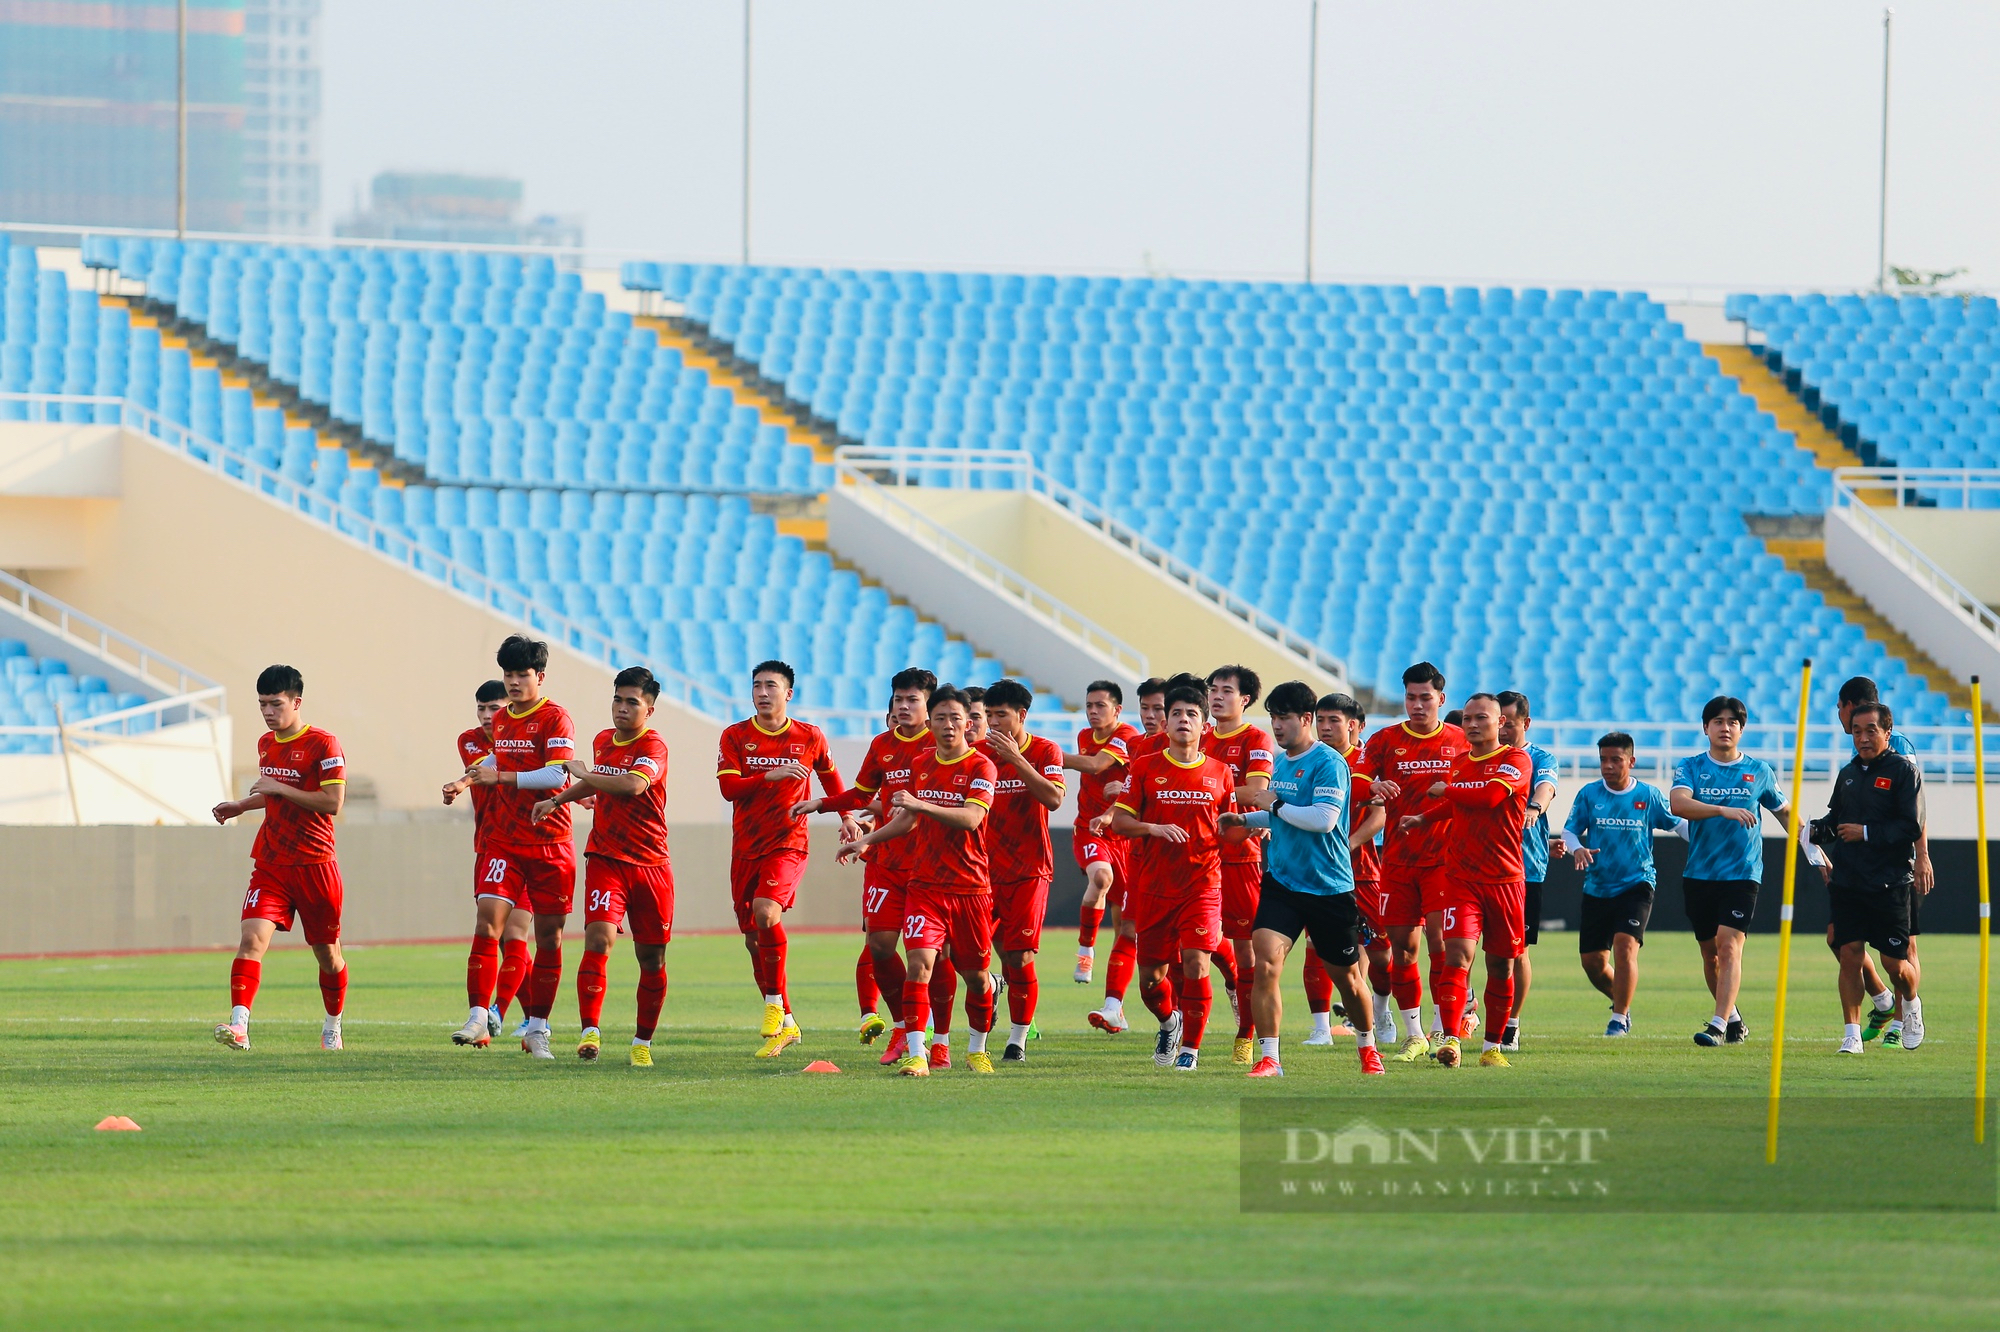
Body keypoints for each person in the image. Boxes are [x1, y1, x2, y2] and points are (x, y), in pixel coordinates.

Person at [838, 686, 1000, 1076]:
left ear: (967, 723)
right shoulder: (924, 762)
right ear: (933, 721)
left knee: (976, 979)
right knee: (919, 964)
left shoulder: (981, 767)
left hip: (970, 888)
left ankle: (977, 1048)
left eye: (955, 718)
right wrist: (865, 840)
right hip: (925, 886)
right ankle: (917, 1052)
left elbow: (971, 819)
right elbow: (906, 819)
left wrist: (922, 804)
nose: (948, 725)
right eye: (941, 718)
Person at [1230, 680, 1384, 1078]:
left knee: (1349, 981)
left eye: (1284, 718)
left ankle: (1368, 1048)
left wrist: (1271, 803)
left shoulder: (1329, 762)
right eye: (1272, 718)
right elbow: (1280, 816)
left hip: (1329, 886)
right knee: (1265, 964)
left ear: (1305, 719)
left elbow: (1322, 819)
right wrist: (1246, 820)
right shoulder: (1278, 764)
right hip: (1282, 882)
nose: (1277, 727)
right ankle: (1270, 1059)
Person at [529, 667, 675, 1064]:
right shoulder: (602, 740)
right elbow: (596, 782)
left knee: (652, 958)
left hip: (651, 864)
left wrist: (586, 773)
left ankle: (642, 1043)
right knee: (598, 938)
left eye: (632, 702)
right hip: (606, 857)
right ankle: (590, 1030)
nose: (622, 708)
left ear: (650, 710)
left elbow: (631, 785)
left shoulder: (654, 747)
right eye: (618, 699)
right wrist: (558, 800)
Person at [795, 668, 934, 1063]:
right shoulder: (882, 744)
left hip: (928, 864)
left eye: (912, 700)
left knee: (933, 957)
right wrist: (822, 804)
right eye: (898, 700)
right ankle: (905, 1029)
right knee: (879, 945)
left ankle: (939, 1036)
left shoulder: (940, 747)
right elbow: (863, 791)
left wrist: (865, 833)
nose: (904, 707)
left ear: (930, 706)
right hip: (886, 862)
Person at [715, 659, 850, 1058]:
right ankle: (788, 1021)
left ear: (788, 693)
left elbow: (830, 776)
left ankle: (773, 1004)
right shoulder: (735, 735)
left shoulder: (810, 735)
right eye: (756, 685)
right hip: (746, 848)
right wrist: (767, 777)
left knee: (766, 912)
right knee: (755, 940)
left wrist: (845, 816)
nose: (762, 692)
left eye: (770, 686)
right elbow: (728, 790)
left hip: (789, 842)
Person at [211, 665, 349, 1052]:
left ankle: (333, 1025)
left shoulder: (324, 743)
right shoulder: (266, 743)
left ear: (296, 702)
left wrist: (279, 788)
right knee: (251, 938)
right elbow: (273, 792)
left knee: (328, 956)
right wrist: (242, 804)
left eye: (276, 704)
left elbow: (333, 802)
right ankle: (240, 1026)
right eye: (262, 705)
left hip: (316, 864)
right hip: (271, 862)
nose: (269, 712)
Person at [1394, 693, 1531, 1068]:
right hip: (1461, 878)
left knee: (1502, 965)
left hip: (1505, 880)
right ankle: (1451, 1039)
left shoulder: (1515, 760)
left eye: (1480, 718)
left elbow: (1487, 797)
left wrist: (1445, 789)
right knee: (1457, 957)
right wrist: (1424, 818)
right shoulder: (1459, 763)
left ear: (1500, 722)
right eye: (1467, 718)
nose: (1471, 724)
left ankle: (1491, 1049)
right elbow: (1456, 804)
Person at [461, 635, 577, 1059]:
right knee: (487, 923)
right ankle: (479, 1014)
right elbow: (499, 760)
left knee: (548, 939)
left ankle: (538, 1028)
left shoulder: (555, 718)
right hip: (505, 842)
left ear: (539, 676)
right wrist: (470, 777)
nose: (513, 682)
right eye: (508, 674)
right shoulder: (505, 719)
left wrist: (502, 778)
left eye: (521, 674)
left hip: (550, 844)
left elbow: (556, 777)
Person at [1111, 683, 1236, 1071]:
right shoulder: (1145, 767)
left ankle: (1190, 1051)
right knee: (1151, 977)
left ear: (1204, 725)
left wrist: (1251, 828)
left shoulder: (1221, 773)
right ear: (1166, 722)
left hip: (1202, 883)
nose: (1184, 720)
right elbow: (1120, 821)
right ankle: (1170, 1022)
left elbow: (1228, 826)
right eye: (1177, 714)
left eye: (1192, 714)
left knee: (1197, 962)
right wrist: (1152, 828)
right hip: (1154, 886)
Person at [1356, 661, 1468, 1061]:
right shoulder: (1385, 740)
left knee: (1440, 944)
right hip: (1399, 862)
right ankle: (1414, 1032)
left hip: (1444, 861)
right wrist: (1372, 784)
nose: (1417, 705)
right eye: (1410, 697)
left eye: (1425, 698)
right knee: (1402, 950)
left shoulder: (1460, 740)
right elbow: (1355, 775)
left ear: (1441, 699)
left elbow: (1476, 785)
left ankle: (1444, 1029)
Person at [1669, 695, 1791, 1047]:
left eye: (1733, 722)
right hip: (1700, 874)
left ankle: (1718, 1025)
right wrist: (1723, 810)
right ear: (1706, 728)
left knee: (1729, 947)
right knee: (1710, 954)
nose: (1726, 727)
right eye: (1718, 721)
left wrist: (1813, 848)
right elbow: (1679, 804)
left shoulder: (1759, 770)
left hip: (1743, 873)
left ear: (1742, 729)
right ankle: (1734, 1018)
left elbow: (1784, 813)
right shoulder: (1690, 766)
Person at [1810, 700, 1925, 1054]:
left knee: (1895, 963)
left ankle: (1910, 1003)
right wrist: (1814, 831)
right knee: (1849, 953)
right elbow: (1835, 820)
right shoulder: (1846, 774)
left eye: (1870, 730)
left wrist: (1867, 832)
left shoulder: (1904, 772)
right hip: (1848, 881)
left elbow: (1911, 825)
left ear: (1887, 733)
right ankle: (1852, 1034)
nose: (1862, 738)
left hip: (1890, 881)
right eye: (1857, 731)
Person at [1562, 732, 1684, 1036]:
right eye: (1603, 759)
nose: (1608, 766)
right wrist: (1576, 847)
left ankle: (1618, 1018)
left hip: (1637, 883)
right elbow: (1569, 832)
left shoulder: (1648, 795)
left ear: (1631, 761)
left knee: (1625, 946)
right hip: (1598, 886)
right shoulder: (1589, 795)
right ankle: (1622, 1000)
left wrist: (1709, 841)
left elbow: (1679, 825)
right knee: (1592, 963)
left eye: (1615, 759)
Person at [443, 680, 537, 1046]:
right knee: (494, 933)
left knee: (515, 934)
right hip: (489, 847)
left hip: (528, 847)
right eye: (481, 708)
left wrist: (579, 799)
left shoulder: (524, 733)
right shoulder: (468, 740)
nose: (486, 716)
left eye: (493, 708)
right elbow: (487, 766)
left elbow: (543, 770)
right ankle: (528, 1018)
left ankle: (494, 1012)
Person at [978, 679, 1066, 1063]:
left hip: (1030, 869)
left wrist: (1017, 760)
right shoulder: (977, 754)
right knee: (974, 956)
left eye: (1001, 715)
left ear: (1022, 715)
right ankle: (994, 988)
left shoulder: (1045, 749)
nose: (994, 723)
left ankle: (1017, 1039)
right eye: (989, 715)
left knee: (1020, 957)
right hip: (980, 870)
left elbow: (1054, 798)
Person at [1203, 666, 1276, 1065]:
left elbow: (1258, 789)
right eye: (1213, 690)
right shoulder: (1198, 735)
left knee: (1249, 952)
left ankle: (1246, 1034)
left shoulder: (1255, 738)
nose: (1217, 696)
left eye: (1226, 690)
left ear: (1244, 699)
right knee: (1191, 945)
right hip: (1198, 855)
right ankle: (1182, 1031)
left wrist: (1204, 789)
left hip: (1240, 855)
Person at [1086, 676, 1167, 1033]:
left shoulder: (1198, 752)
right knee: (1129, 929)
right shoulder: (1136, 747)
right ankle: (1113, 1006)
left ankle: (1231, 996)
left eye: (1159, 709)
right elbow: (1128, 804)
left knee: (1210, 951)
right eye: (1145, 708)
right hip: (1143, 856)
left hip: (1192, 865)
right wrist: (1117, 806)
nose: (1150, 716)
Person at [1309, 694, 1385, 1045]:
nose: (1324, 727)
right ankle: (1321, 1028)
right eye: (1320, 719)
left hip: (1363, 869)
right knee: (1316, 946)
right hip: (1319, 870)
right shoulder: (1311, 759)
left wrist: (1348, 843)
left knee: (1380, 950)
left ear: (1354, 725)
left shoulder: (1366, 763)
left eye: (1333, 720)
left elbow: (1378, 814)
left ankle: (1379, 1014)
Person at [1062, 680, 1142, 985]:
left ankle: (1114, 999)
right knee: (1100, 877)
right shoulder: (1084, 735)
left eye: (1100, 706)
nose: (1093, 712)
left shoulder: (1126, 736)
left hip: (1122, 835)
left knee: (1125, 923)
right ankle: (1085, 951)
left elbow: (1096, 765)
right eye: (1089, 706)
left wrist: (1043, 754)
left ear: (1117, 710)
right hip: (1089, 828)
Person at [1495, 690, 1557, 1053]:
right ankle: (1460, 1015)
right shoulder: (1480, 757)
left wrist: (1534, 808)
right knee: (1461, 947)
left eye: (1511, 724)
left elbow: (1547, 786)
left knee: (1516, 952)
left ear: (1526, 724)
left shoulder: (1539, 758)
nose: (1503, 731)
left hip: (1523, 870)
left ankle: (1511, 1023)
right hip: (1475, 867)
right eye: (1498, 722)